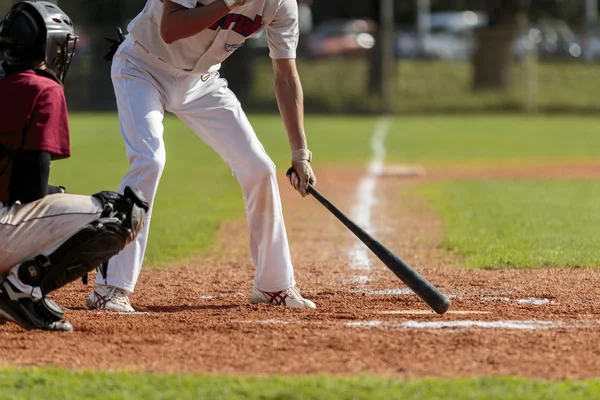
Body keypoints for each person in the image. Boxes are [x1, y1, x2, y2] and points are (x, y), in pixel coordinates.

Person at [88, 0, 317, 312]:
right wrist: (226, 4)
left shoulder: (280, 5)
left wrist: (300, 152)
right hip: (142, 66)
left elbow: (285, 75)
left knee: (259, 168)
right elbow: (170, 30)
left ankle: (273, 283)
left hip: (201, 82)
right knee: (149, 159)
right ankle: (109, 287)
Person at [0, 0, 149, 331]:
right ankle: (22, 289)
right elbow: (29, 192)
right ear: (48, 47)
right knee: (119, 213)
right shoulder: (41, 88)